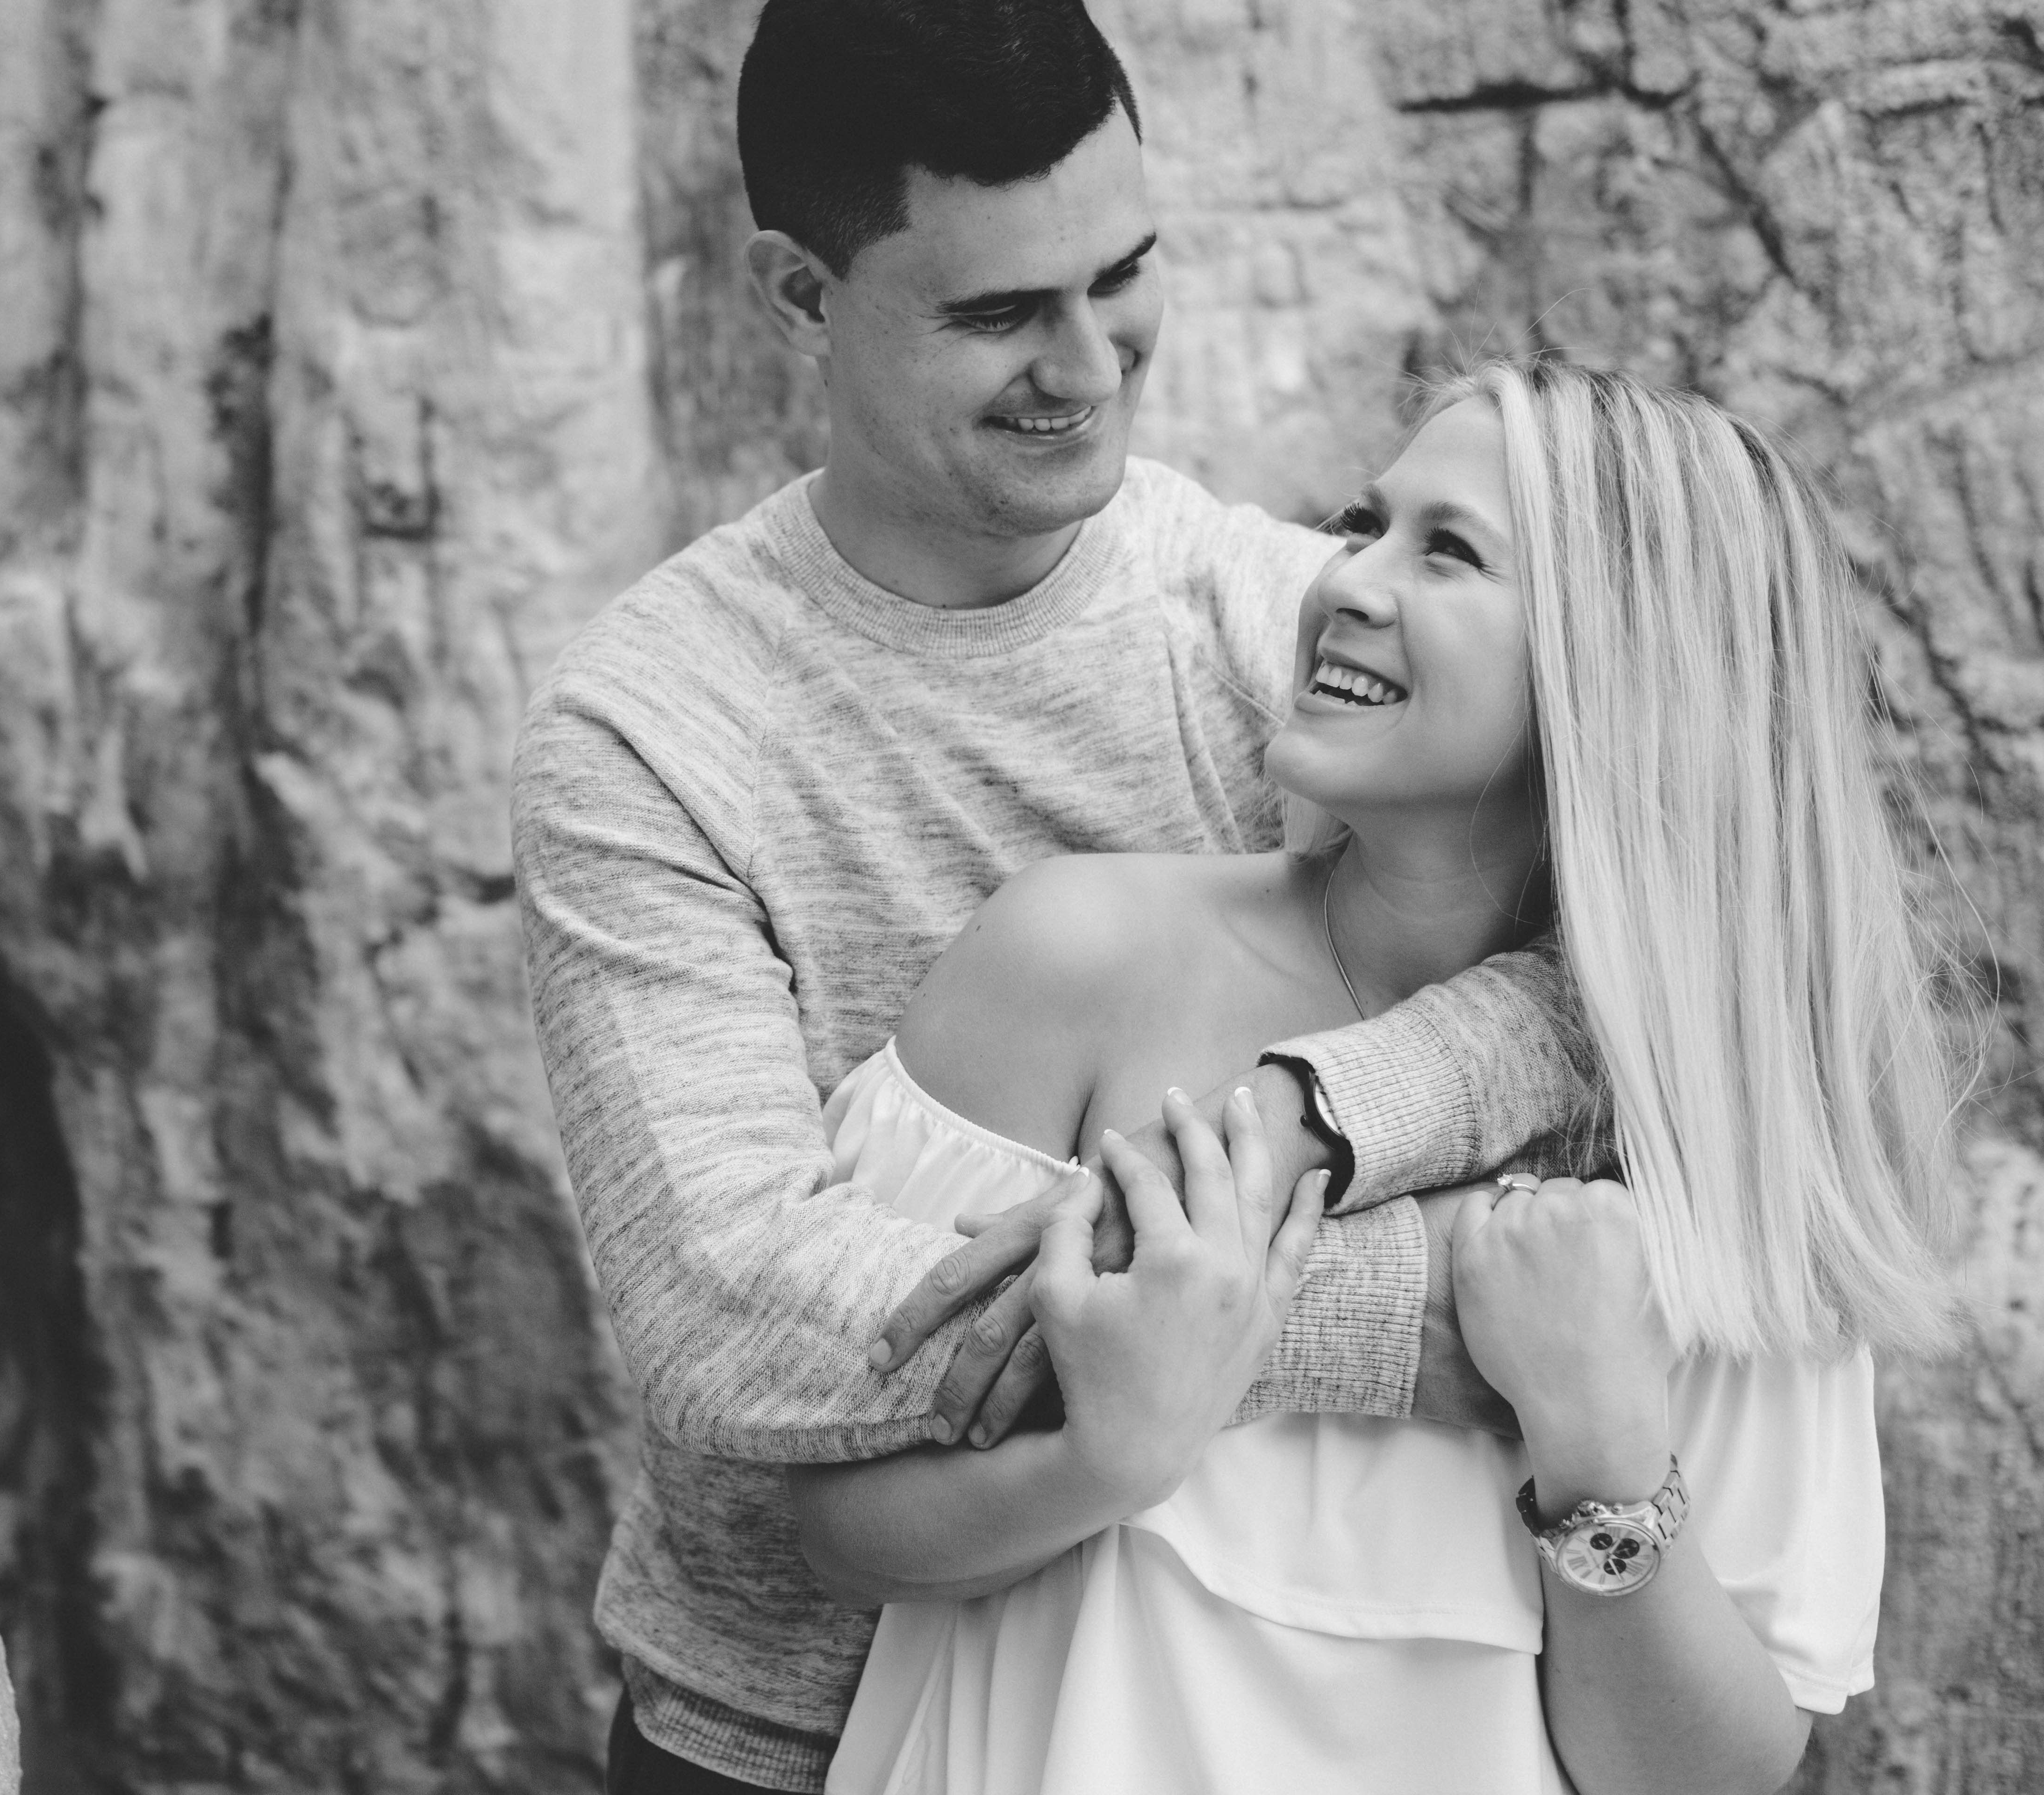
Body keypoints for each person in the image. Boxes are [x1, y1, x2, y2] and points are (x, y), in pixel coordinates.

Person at [513, 4, 1609, 1790]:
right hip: (777, 1731)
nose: (1089, 363)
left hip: (1181, 1716)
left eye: (1125, 274)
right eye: (1000, 312)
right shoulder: (649, 732)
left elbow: (1622, 965)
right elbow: (731, 1306)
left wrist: (1312, 1123)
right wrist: (1369, 1318)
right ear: (799, 297)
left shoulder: (1285, 628)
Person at [794, 359, 1961, 1794]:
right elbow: (836, 1522)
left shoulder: (1727, 1152)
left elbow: (1704, 1774)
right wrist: (1110, 1458)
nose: (1345, 578)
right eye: (1366, 522)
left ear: (1618, 667)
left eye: (1448, 551)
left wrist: (1599, 1442)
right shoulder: (1077, 961)